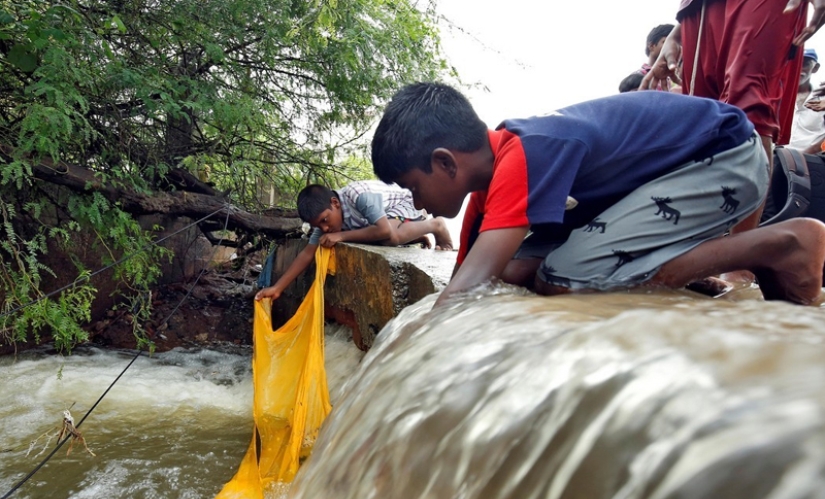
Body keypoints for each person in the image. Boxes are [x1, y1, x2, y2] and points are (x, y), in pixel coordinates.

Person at [370, 82, 825, 309]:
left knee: (563, 277)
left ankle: (785, 243)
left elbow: (465, 293)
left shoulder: (526, 154)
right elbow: (481, 275)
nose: (418, 205)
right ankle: (676, 267)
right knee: (521, 268)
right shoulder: (501, 167)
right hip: (682, 174)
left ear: (447, 162)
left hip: (723, 159)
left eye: (413, 187)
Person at [641, 0, 825, 231]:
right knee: (703, 122)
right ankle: (703, 245)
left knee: (751, 107)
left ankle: (740, 251)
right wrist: (677, 33)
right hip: (699, 6)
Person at [255, 180, 454, 302]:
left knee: (389, 237)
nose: (325, 229)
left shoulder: (359, 196)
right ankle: (413, 235)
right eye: (319, 226)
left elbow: (383, 230)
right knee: (378, 237)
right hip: (387, 219)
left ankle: (435, 225)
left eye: (325, 221)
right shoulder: (325, 222)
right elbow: (307, 253)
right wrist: (277, 288)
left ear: (335, 203)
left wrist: (340, 236)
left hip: (407, 204)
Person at [790, 49, 825, 152]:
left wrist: (808, 154)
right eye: (794, 63)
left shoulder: (823, 99)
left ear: (815, 68)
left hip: (812, 161)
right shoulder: (776, 97)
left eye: (805, 64)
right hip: (775, 158)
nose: (798, 69)